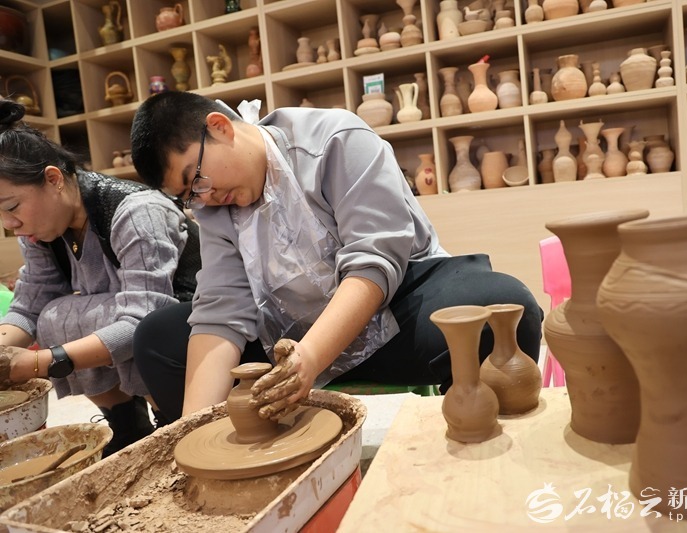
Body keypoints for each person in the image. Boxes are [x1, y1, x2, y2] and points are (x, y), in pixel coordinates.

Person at [130, 91, 543, 424]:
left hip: (391, 316)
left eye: (196, 179)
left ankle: (469, 435)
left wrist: (308, 361)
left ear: (219, 127)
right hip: (288, 337)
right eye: (189, 196)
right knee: (156, 339)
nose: (204, 198)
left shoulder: (334, 139)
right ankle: (244, 453)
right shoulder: (214, 206)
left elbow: (373, 261)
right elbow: (222, 310)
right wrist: (194, 433)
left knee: (503, 309)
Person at [0, 99, 201, 455]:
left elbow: (143, 320)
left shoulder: (136, 212)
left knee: (120, 323)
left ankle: (169, 417)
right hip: (149, 328)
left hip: (191, 332)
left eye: (12, 207)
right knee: (55, 315)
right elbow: (30, 303)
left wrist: (37, 363)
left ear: (53, 179)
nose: (10, 224)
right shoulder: (40, 230)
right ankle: (126, 426)